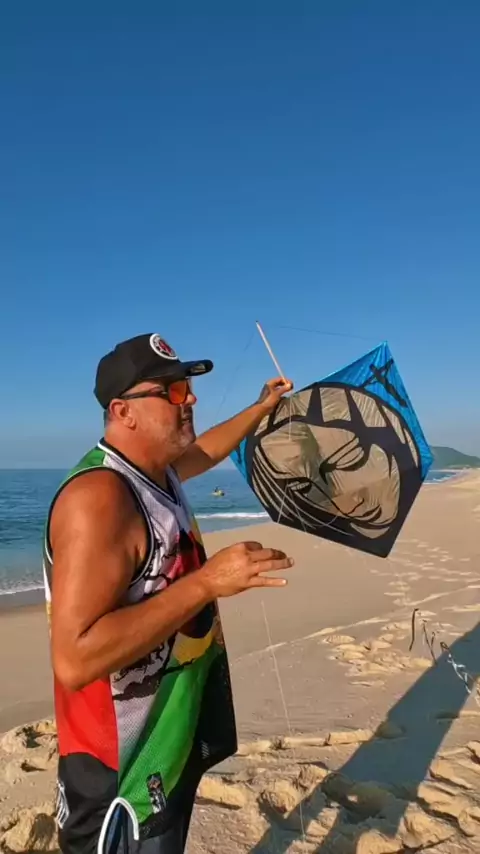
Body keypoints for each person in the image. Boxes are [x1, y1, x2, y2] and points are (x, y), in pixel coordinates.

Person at [43, 332, 294, 854]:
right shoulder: (99, 499)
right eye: (173, 391)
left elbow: (209, 449)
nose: (191, 398)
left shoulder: (157, 472)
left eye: (188, 386)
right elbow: (74, 659)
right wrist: (207, 582)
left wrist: (261, 408)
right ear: (123, 411)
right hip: (122, 780)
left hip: (166, 742)